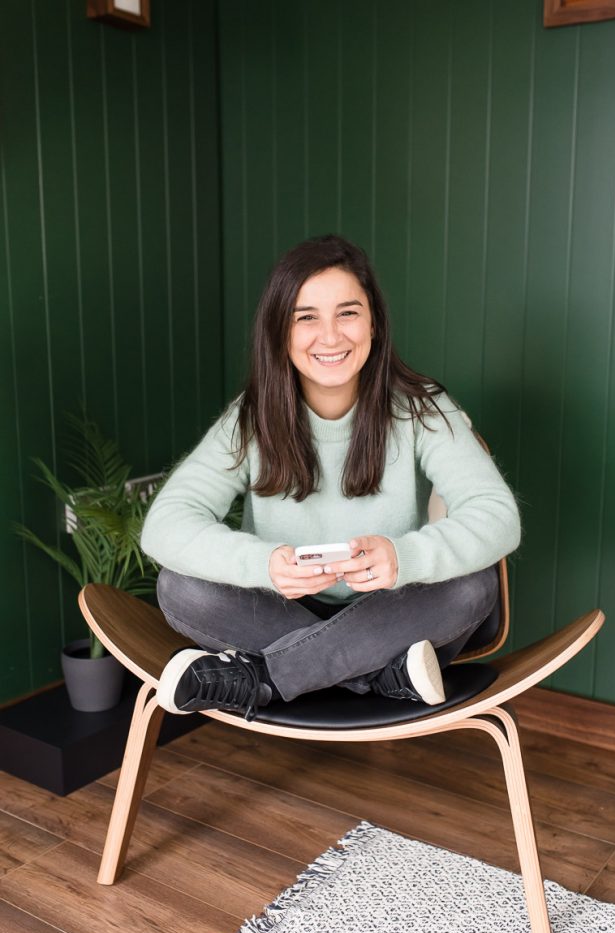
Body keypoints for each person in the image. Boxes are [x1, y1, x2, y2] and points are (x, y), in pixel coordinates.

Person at [141, 235, 520, 721]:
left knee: (472, 591)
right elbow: (166, 524)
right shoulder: (251, 419)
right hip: (286, 616)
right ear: (281, 332)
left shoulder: (422, 409)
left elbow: (498, 516)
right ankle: (381, 678)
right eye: (306, 317)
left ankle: (263, 681)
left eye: (347, 313)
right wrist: (266, 565)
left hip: (392, 611)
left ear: (374, 324)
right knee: (180, 589)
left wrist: (403, 558)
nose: (331, 336)